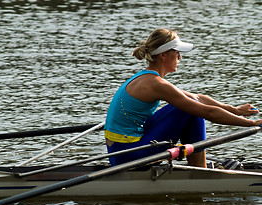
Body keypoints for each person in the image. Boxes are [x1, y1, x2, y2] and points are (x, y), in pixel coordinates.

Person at [104, 28, 262, 168]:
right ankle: (200, 172)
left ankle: (198, 168)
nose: (180, 57)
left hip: (120, 151)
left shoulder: (147, 78)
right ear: (163, 55)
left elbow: (198, 97)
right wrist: (252, 124)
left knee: (190, 105)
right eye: (177, 52)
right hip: (127, 157)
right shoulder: (156, 84)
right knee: (192, 110)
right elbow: (208, 113)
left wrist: (234, 110)